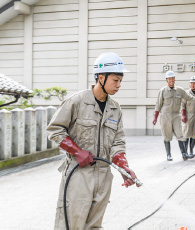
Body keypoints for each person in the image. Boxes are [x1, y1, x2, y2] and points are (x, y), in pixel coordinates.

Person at [47, 52, 139, 230]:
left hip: (103, 176)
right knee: (71, 224)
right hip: (78, 174)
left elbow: (118, 142)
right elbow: (55, 129)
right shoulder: (77, 102)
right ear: (101, 78)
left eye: (121, 80)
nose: (119, 85)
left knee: (94, 226)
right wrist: (77, 151)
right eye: (115, 80)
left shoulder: (115, 109)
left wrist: (123, 166)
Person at [152, 70, 195, 161]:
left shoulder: (180, 90)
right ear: (167, 80)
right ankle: (169, 155)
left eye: (173, 78)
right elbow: (158, 105)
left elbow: (190, 98)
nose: (171, 80)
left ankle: (184, 154)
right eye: (169, 79)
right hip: (165, 116)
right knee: (167, 135)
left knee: (181, 135)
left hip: (176, 115)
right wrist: (155, 117)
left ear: (174, 79)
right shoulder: (162, 91)